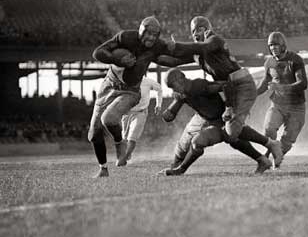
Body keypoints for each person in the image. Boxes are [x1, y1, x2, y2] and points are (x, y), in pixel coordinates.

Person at [170, 16, 283, 168]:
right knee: (229, 135)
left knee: (230, 133)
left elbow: (200, 49)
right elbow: (173, 60)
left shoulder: (214, 40)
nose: (196, 33)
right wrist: (155, 51)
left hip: (240, 84)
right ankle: (262, 159)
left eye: (200, 29)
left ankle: (270, 144)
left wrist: (176, 45)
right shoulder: (198, 54)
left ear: (207, 29)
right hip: (229, 89)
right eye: (193, 31)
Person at [88, 16, 183, 178]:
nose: (151, 38)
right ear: (141, 31)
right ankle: (103, 168)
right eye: (149, 34)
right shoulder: (125, 37)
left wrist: (193, 53)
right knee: (93, 134)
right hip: (109, 84)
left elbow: (172, 60)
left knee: (109, 119)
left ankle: (120, 143)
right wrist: (116, 59)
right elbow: (98, 53)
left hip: (130, 90)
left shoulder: (157, 46)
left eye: (155, 35)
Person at [157, 68, 282, 176]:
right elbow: (171, 112)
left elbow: (225, 85)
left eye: (173, 85)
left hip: (222, 120)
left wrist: (228, 107)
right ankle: (264, 155)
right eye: (171, 87)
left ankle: (268, 147)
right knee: (193, 143)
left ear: (181, 79)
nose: (174, 89)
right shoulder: (181, 93)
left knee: (230, 135)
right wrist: (168, 114)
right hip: (208, 122)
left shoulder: (199, 86)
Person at [256, 32, 307, 167]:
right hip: (278, 104)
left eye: (276, 45)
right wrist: (251, 94)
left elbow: (303, 83)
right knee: (269, 128)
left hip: (297, 107)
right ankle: (268, 157)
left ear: (283, 45)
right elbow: (264, 84)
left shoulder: (295, 60)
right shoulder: (269, 62)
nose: (273, 48)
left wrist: (282, 87)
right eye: (271, 45)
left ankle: (273, 159)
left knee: (287, 141)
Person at [118, 76, 163, 166]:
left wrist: (159, 105)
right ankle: (127, 154)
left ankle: (124, 158)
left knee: (133, 135)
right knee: (124, 138)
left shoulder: (148, 81)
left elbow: (159, 89)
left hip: (141, 112)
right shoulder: (125, 80)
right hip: (126, 112)